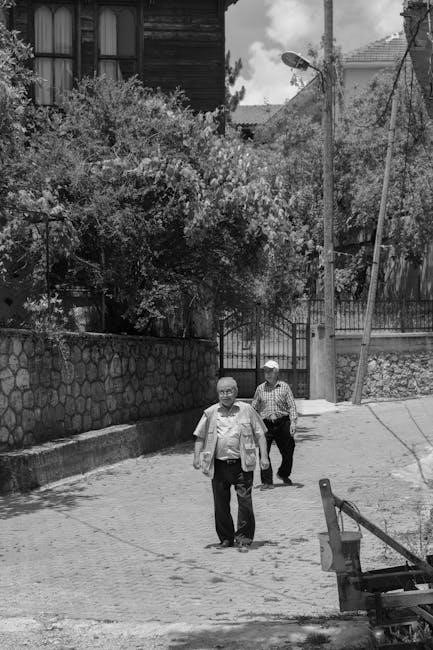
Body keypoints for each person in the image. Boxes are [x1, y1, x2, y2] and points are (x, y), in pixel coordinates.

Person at [193, 376, 270, 548]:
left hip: (242, 464)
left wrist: (264, 456)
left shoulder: (247, 410)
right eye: (221, 392)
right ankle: (226, 538)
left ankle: (243, 538)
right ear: (218, 394)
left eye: (229, 391)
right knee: (220, 504)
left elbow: (260, 434)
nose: (225, 395)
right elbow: (200, 436)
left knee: (245, 502)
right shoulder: (210, 412)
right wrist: (196, 456)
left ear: (236, 391)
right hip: (219, 466)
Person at [252, 359, 298, 489]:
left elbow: (292, 406)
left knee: (289, 449)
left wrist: (293, 423)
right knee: (263, 452)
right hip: (265, 424)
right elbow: (254, 407)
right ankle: (267, 482)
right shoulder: (260, 388)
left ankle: (283, 473)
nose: (267, 374)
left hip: (283, 422)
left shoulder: (284, 387)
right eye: (265, 371)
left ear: (276, 372)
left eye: (270, 371)